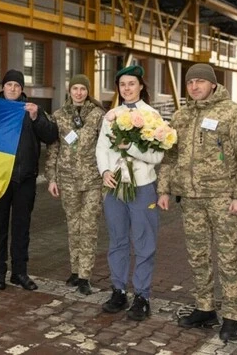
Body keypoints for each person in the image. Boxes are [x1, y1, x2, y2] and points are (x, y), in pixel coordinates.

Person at [157, 63, 237, 342]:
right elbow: (170, 156)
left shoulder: (232, 113)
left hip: (223, 198)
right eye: (190, 82)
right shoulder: (181, 116)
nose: (194, 87)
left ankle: (233, 315)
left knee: (228, 257)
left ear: (213, 84)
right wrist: (164, 189)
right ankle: (205, 308)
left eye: (200, 82)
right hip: (191, 200)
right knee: (197, 256)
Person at [95, 65, 163, 321]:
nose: (127, 88)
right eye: (122, 84)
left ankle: (142, 296)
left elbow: (157, 156)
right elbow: (102, 148)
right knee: (118, 240)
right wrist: (104, 171)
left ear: (141, 86)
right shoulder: (112, 115)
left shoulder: (152, 116)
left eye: (131, 83)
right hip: (115, 186)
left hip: (143, 186)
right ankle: (119, 291)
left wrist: (130, 147)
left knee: (144, 242)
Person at [0, 69, 58, 291]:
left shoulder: (32, 110)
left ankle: (19, 272)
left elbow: (51, 135)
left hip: (25, 179)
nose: (13, 88)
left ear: (22, 89)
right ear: (3, 87)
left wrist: (37, 118)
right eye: (9, 84)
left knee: (22, 227)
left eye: (17, 86)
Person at [45, 74, 104, 296]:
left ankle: (85, 275)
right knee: (73, 225)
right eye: (75, 88)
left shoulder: (98, 115)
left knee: (88, 228)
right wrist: (51, 178)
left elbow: (105, 147)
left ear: (88, 92)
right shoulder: (59, 116)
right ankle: (75, 270)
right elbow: (53, 149)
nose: (79, 92)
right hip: (67, 180)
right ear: (69, 91)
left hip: (93, 181)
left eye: (83, 89)